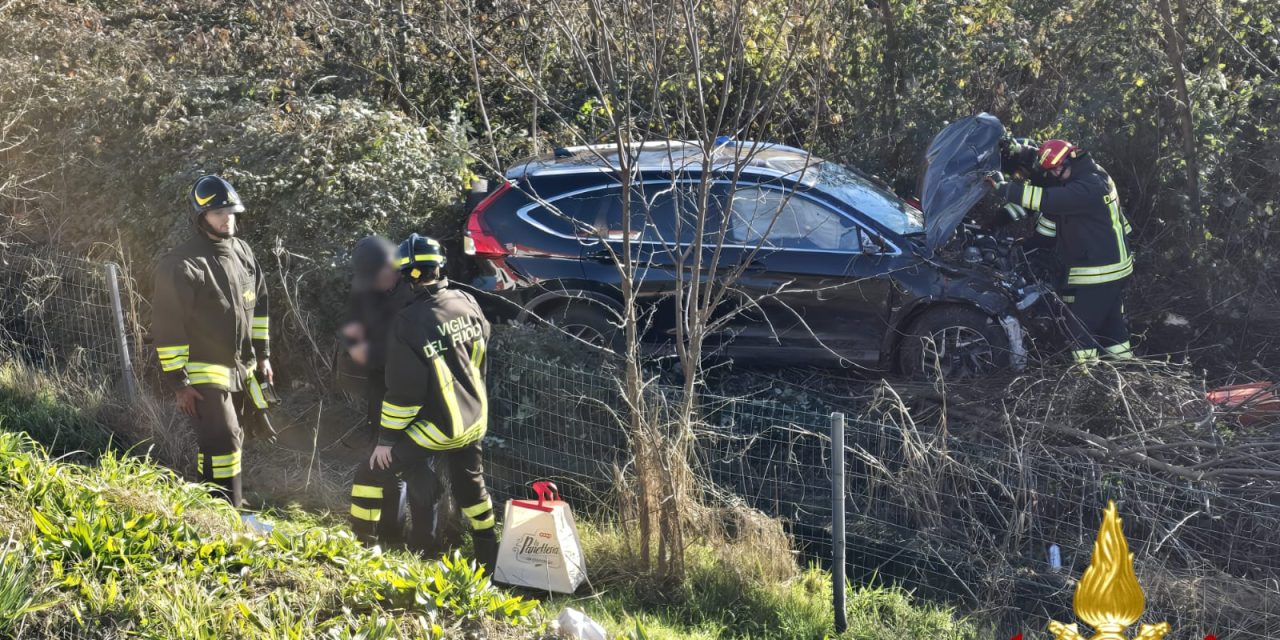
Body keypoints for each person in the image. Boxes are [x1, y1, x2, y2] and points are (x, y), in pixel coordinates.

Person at [349, 233, 498, 566]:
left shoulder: (410, 321)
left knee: (370, 472)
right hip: (475, 420)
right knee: (472, 489)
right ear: (440, 267)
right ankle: (490, 559)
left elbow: (405, 395)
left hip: (439, 426)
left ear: (410, 275)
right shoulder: (467, 301)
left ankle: (358, 549)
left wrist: (387, 441)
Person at [151, 175, 273, 507]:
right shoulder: (181, 264)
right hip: (202, 373)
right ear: (200, 216)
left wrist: (262, 356)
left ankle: (210, 504)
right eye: (218, 213)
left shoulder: (243, 252)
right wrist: (179, 383)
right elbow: (167, 327)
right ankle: (227, 510)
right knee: (225, 439)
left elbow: (259, 305)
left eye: (231, 212)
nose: (227, 218)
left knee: (225, 442)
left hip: (242, 369)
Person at [991, 138, 1135, 364]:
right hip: (1109, 264)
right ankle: (1126, 370)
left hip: (1101, 270)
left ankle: (1087, 383)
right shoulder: (1084, 176)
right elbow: (1052, 221)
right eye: (1053, 170)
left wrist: (1004, 188)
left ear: (1072, 159)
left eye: (1060, 168)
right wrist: (1030, 244)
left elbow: (1047, 200)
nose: (1056, 173)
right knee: (1112, 327)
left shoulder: (1089, 187)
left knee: (1078, 328)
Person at [341, 235, 417, 547]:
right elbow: (352, 325)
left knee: (395, 466)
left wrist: (369, 355)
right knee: (379, 460)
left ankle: (392, 535)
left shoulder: (411, 297)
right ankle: (372, 535)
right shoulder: (370, 290)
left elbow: (403, 354)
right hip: (379, 389)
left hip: (406, 394)